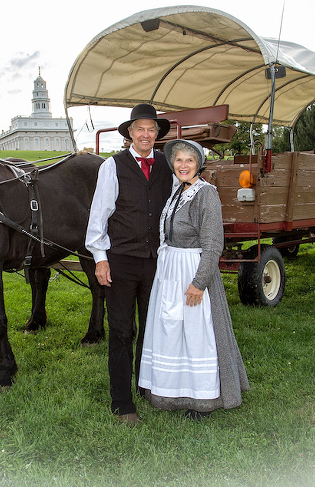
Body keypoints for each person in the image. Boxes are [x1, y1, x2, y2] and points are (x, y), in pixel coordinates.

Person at [138, 139, 250, 420]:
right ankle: (167, 390)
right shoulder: (177, 191)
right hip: (171, 271)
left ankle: (202, 398)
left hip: (192, 269)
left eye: (189, 160)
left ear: (199, 164)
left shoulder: (206, 194)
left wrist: (199, 283)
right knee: (171, 330)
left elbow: (213, 244)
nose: (183, 165)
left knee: (196, 334)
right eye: (178, 160)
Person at [85, 103, 174, 425]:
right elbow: (99, 215)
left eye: (151, 129)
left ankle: (147, 385)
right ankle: (122, 401)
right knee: (122, 331)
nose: (146, 134)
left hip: (157, 262)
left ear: (157, 134)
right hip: (121, 261)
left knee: (153, 329)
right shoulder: (113, 166)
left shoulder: (168, 165)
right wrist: (100, 259)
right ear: (130, 133)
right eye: (140, 129)